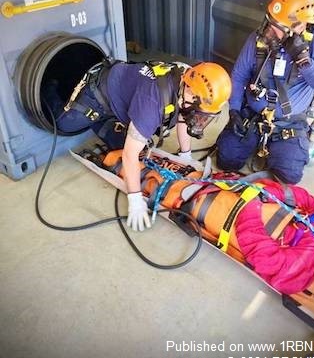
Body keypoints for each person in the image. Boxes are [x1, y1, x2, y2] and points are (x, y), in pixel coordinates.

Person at [47, 60, 232, 231]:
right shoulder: (152, 103)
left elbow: (184, 115)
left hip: (124, 94)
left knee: (130, 147)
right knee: (64, 125)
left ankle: (102, 119)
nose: (200, 120)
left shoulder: (187, 77)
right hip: (98, 94)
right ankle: (50, 87)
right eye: (201, 114)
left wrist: (186, 155)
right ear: (190, 94)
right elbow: (129, 156)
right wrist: (135, 199)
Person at [216, 0, 314, 184]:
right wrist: (235, 110)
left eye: (277, 27)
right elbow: (238, 76)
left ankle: (295, 142)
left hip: (290, 121)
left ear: (299, 26)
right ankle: (259, 143)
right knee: (226, 160)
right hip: (253, 116)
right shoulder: (259, 38)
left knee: (288, 176)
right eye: (269, 21)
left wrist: (304, 60)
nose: (269, 30)